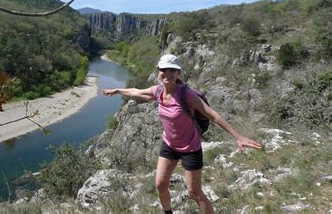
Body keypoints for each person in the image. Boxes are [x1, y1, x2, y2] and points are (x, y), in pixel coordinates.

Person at [102, 54, 261, 214]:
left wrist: (238, 137)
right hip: (169, 145)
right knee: (160, 185)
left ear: (178, 73)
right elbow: (136, 92)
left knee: (194, 192)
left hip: (190, 148)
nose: (167, 73)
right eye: (163, 69)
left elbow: (212, 115)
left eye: (172, 70)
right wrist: (117, 90)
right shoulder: (158, 91)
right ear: (158, 72)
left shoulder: (186, 94)